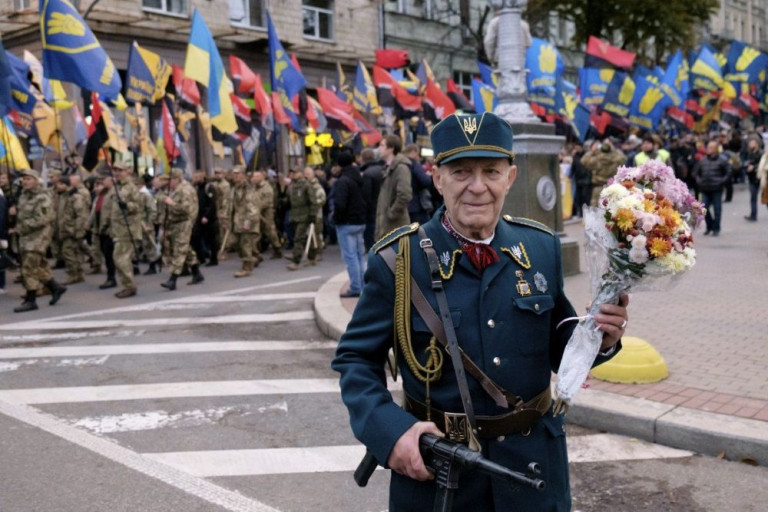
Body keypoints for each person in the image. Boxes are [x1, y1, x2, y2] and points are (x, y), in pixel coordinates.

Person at [332, 112, 629, 511]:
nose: (477, 187)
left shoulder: (540, 247)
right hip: (439, 475)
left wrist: (600, 337)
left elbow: (559, 347)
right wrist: (391, 432)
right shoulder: (397, 260)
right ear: (437, 178)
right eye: (460, 172)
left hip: (533, 471)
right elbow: (355, 359)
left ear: (510, 177)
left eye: (491, 171)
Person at [12, 169, 67, 313]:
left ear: (36, 181)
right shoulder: (24, 195)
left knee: (28, 268)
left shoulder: (43, 197)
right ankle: (56, 288)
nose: (25, 181)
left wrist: (22, 226)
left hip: (38, 237)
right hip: (26, 237)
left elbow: (44, 219)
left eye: (29, 179)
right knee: (38, 266)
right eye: (23, 179)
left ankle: (31, 300)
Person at [332, 150, 369, 298]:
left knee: (350, 257)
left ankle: (355, 287)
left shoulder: (342, 181)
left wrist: (335, 218)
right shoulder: (358, 177)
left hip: (346, 222)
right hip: (359, 220)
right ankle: (363, 286)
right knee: (360, 256)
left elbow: (340, 204)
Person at [161, 169, 203, 290]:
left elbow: (186, 209)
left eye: (170, 180)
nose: (168, 183)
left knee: (179, 250)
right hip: (176, 223)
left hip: (184, 223)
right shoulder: (176, 190)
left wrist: (171, 203)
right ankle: (196, 273)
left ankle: (172, 279)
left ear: (177, 179)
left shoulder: (185, 190)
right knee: (185, 248)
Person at [108, 165, 142, 299]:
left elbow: (138, 206)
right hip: (118, 229)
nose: (117, 173)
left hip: (128, 229)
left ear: (127, 172)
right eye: (115, 171)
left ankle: (129, 286)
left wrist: (127, 205)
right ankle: (127, 285)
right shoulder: (117, 187)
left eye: (120, 170)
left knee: (121, 259)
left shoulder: (131, 187)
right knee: (119, 259)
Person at [375, 134, 412, 240]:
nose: (379, 148)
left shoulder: (401, 168)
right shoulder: (388, 168)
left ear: (391, 148)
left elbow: (405, 195)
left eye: (382, 145)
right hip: (388, 227)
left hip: (395, 227)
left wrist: (391, 214)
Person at [693, 140, 731, 236]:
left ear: (715, 149)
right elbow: (696, 172)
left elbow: (729, 171)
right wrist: (699, 181)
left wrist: (722, 181)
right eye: (708, 147)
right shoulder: (703, 160)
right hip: (704, 188)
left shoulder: (722, 160)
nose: (708, 149)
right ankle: (709, 226)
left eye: (711, 147)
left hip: (716, 188)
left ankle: (716, 228)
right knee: (704, 209)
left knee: (717, 209)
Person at [55, 176, 88, 285]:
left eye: (60, 184)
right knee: (74, 251)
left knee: (68, 252)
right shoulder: (62, 197)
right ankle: (78, 274)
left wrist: (78, 230)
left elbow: (80, 215)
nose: (57, 186)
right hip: (65, 229)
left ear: (66, 185)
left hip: (71, 230)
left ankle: (74, 274)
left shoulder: (75, 197)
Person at [229, 166, 260, 278]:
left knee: (245, 244)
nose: (235, 176)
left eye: (238, 174)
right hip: (237, 221)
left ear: (243, 175)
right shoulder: (234, 188)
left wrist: (249, 220)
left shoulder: (248, 189)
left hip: (246, 221)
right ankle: (252, 259)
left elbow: (253, 207)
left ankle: (246, 268)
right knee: (236, 244)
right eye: (234, 174)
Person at [286, 167, 319, 271]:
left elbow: (313, 201)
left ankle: (296, 260)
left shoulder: (306, 185)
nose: (293, 174)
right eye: (292, 172)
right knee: (304, 237)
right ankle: (312, 255)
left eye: (295, 172)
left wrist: (312, 215)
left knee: (298, 238)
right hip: (294, 215)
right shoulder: (291, 185)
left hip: (304, 215)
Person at [581, 139, 626, 206]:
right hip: (612, 188)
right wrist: (614, 149)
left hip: (598, 188)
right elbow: (624, 159)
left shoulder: (596, 160)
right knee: (610, 209)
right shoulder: (616, 160)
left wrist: (592, 151)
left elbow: (583, 160)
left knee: (596, 210)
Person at [251, 169, 282, 260]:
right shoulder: (253, 187)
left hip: (266, 213)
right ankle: (256, 254)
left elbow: (267, 201)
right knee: (255, 233)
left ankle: (277, 248)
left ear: (262, 177)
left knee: (270, 231)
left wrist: (256, 207)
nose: (254, 178)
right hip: (255, 213)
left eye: (256, 176)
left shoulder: (267, 187)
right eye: (253, 176)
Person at [360, 147, 385, 250]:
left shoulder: (367, 174)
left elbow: (366, 195)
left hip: (371, 211)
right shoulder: (382, 169)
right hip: (383, 207)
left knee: (371, 238)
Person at [404, 144, 435, 225]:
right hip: (416, 205)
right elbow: (425, 181)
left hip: (404, 206)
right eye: (417, 154)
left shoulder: (400, 163)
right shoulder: (414, 164)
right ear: (413, 152)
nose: (418, 157)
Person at [743, 137, 762, 222]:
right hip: (751, 178)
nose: (750, 145)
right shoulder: (750, 153)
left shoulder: (760, 153)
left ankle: (753, 216)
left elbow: (762, 165)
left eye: (752, 143)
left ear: (756, 144)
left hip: (757, 178)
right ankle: (753, 215)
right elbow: (748, 162)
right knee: (753, 197)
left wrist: (753, 167)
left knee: (755, 197)